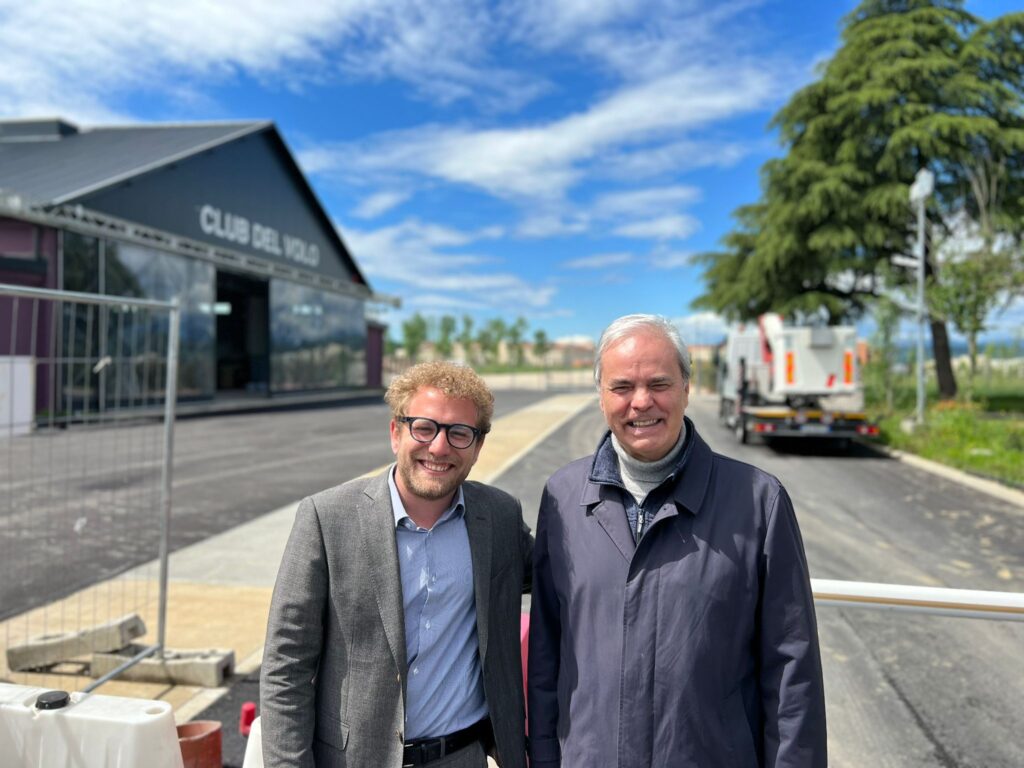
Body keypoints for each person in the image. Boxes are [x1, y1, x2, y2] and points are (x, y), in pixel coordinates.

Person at [527, 314, 826, 768]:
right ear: (601, 396)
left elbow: (792, 671)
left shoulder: (758, 501)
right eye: (622, 386)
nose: (641, 402)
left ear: (688, 388)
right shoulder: (563, 498)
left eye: (660, 384)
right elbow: (547, 657)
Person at [261, 361, 532, 768]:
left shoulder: (500, 517)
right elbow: (286, 666)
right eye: (424, 427)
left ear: (477, 446)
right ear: (396, 433)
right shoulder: (327, 518)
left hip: (463, 757)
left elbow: (568, 577)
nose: (439, 447)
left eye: (459, 433)